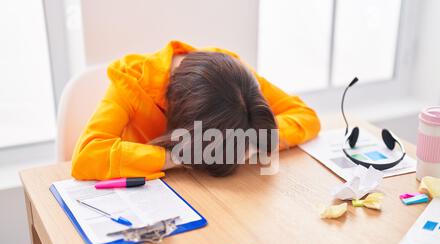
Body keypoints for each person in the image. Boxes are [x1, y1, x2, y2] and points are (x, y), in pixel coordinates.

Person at [71, 41, 320, 180]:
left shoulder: (233, 73)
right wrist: (178, 156)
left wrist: (254, 142)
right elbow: (87, 156)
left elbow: (305, 116)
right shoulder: (133, 80)